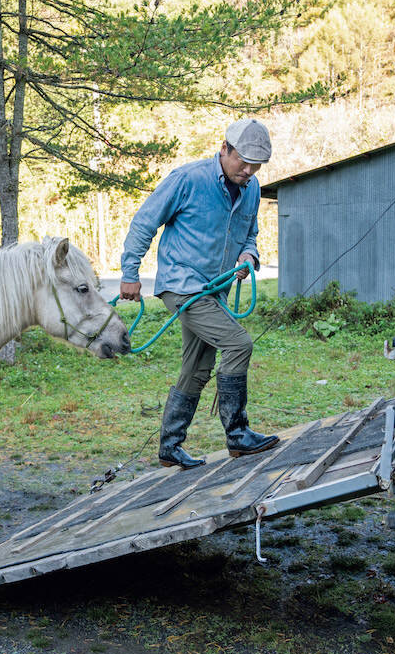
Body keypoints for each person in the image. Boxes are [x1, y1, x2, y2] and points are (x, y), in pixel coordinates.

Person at [119, 119, 280, 469]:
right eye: (243, 161)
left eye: (257, 165)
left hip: (214, 290)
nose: (249, 171)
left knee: (197, 368)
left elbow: (250, 233)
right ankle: (238, 434)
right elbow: (145, 221)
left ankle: (170, 447)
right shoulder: (188, 179)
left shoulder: (251, 188)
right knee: (239, 344)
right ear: (224, 148)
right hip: (182, 285)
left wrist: (248, 255)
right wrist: (130, 273)